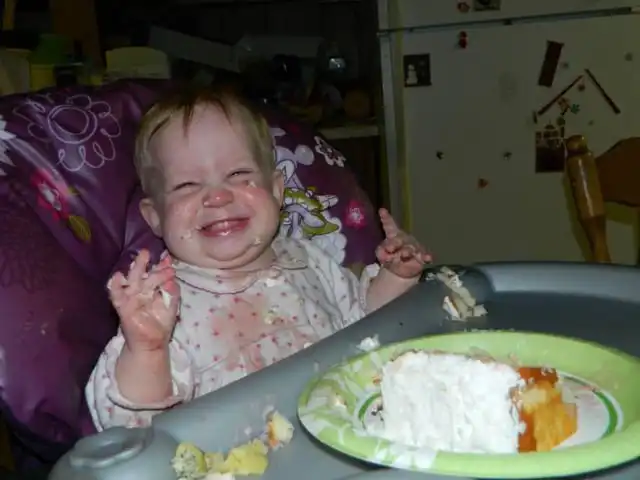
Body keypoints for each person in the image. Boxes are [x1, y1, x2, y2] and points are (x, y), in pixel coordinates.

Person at [86, 87, 431, 430]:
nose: (217, 196)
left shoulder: (310, 260)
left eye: (238, 175)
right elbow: (127, 425)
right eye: (187, 185)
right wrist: (147, 350)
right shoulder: (162, 307)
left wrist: (396, 276)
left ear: (277, 191)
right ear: (155, 217)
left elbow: (367, 326)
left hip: (349, 434)